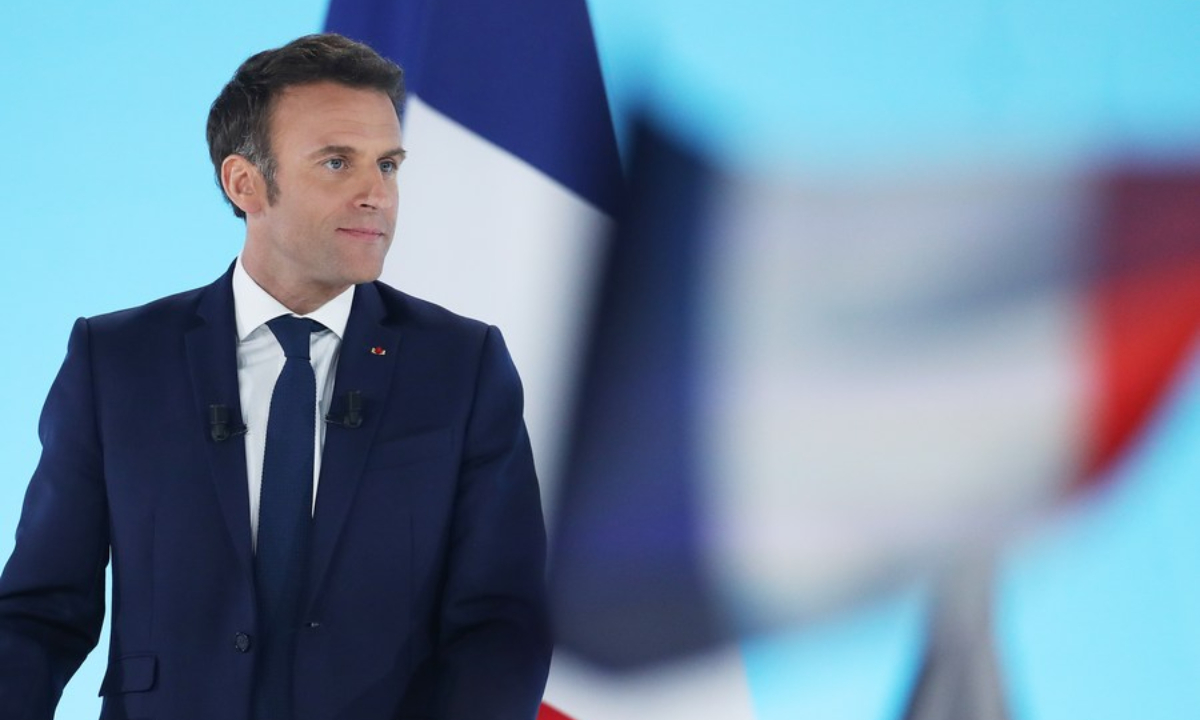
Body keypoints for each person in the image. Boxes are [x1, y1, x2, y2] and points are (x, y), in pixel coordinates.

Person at [0, 33, 551, 720]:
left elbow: (503, 621)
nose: (376, 194)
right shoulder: (115, 361)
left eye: (388, 164)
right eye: (335, 162)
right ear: (245, 183)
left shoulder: (461, 366)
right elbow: (38, 614)